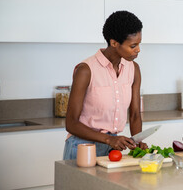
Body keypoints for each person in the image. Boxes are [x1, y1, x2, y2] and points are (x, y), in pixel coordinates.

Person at [63, 10, 147, 160]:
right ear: (114, 43)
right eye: (133, 45)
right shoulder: (86, 70)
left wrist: (138, 141)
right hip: (82, 148)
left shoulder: (134, 69)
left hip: (113, 149)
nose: (138, 49)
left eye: (139, 44)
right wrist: (109, 139)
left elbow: (134, 115)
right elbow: (71, 123)